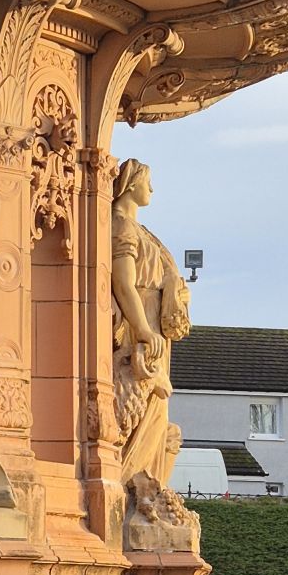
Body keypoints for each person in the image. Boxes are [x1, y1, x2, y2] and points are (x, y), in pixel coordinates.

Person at [111, 158, 190, 489]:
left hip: (152, 324)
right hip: (139, 322)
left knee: (158, 404)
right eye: (148, 182)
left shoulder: (141, 231)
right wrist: (141, 328)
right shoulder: (122, 226)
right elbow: (123, 284)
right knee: (147, 398)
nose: (152, 189)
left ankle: (144, 482)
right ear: (131, 184)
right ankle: (128, 479)